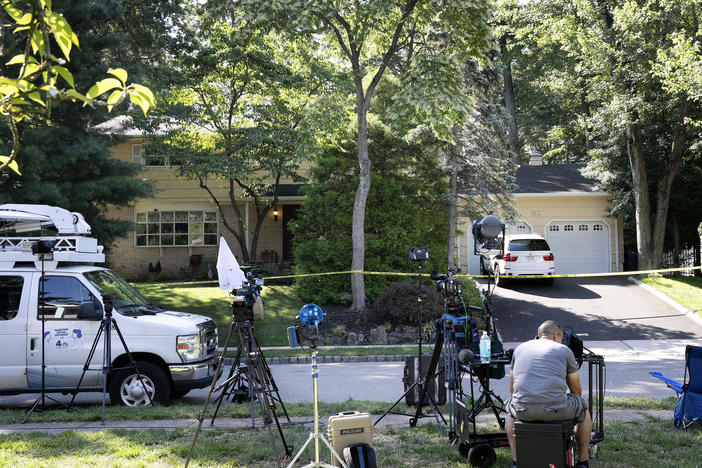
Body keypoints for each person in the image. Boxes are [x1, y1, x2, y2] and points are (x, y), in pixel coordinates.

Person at [505, 320, 592, 468]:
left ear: (539, 335)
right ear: (555, 335)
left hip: (523, 410)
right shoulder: (564, 350)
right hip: (556, 410)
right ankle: (582, 462)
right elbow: (577, 392)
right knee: (583, 406)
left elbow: (512, 390)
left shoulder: (519, 349)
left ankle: (516, 462)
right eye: (561, 338)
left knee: (510, 411)